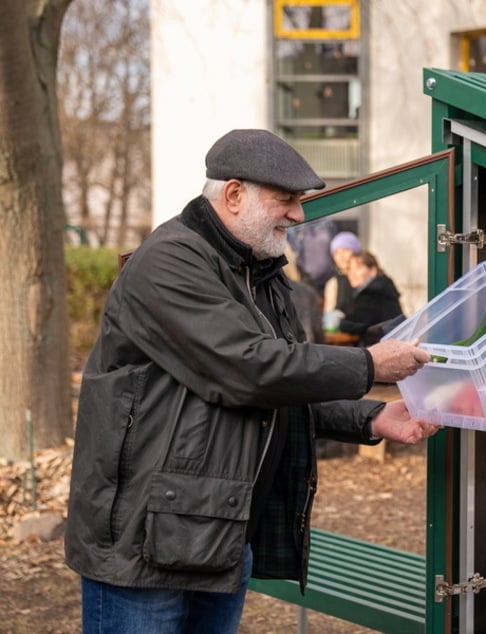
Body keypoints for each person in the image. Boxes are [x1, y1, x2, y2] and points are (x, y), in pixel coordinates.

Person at [64, 128, 438, 634]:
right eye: (286, 200)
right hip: (143, 546)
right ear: (234, 194)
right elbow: (251, 369)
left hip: (215, 535)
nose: (299, 215)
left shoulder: (260, 274)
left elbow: (281, 390)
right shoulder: (169, 261)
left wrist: (372, 417)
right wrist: (370, 366)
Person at [336, 250, 405, 347]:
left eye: (358, 268)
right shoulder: (384, 288)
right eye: (350, 269)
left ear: (373, 270)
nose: (352, 273)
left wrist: (341, 322)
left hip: (381, 350)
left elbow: (349, 324)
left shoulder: (373, 293)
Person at [322, 230, 361, 316]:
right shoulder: (333, 283)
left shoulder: (365, 278)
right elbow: (328, 316)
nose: (341, 256)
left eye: (345, 250)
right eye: (336, 253)